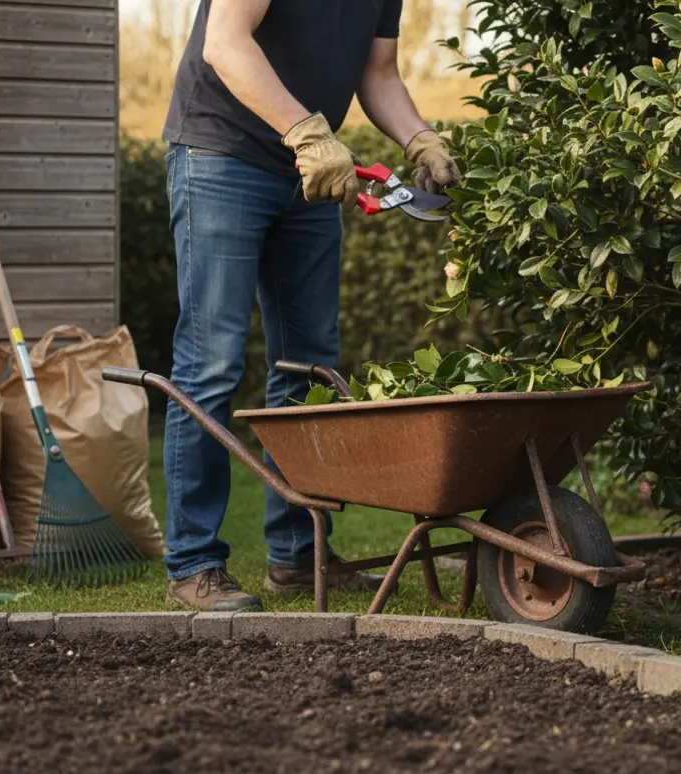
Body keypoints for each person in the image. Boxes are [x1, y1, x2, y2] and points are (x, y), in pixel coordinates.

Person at [159, 0, 461, 611]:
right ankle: (192, 564)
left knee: (309, 366)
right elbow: (225, 41)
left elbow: (377, 73)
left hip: (313, 170)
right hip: (222, 156)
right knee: (212, 363)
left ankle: (298, 556)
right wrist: (306, 130)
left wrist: (418, 137)